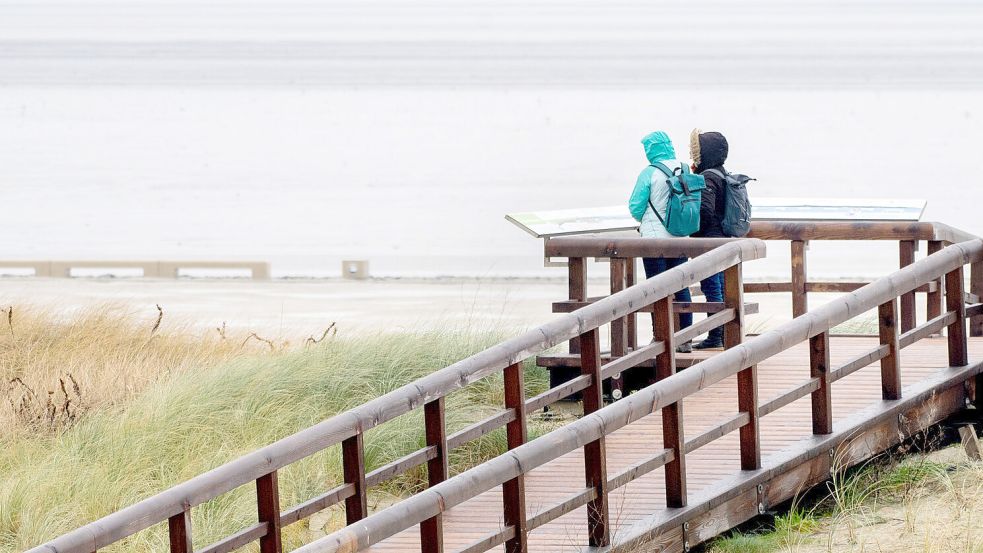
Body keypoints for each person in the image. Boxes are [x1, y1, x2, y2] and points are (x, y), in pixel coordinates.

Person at [628, 131, 693, 353]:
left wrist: (646, 218)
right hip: (681, 237)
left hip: (654, 240)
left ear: (650, 150)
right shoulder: (684, 168)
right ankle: (685, 338)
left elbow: (636, 207)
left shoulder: (649, 173)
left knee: (657, 288)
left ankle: (660, 338)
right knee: (682, 286)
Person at [689, 128, 730, 349]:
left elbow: (705, 211)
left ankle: (716, 336)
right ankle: (724, 334)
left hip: (709, 241)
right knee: (722, 288)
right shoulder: (723, 173)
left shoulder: (707, 177)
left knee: (712, 289)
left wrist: (693, 230)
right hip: (723, 238)